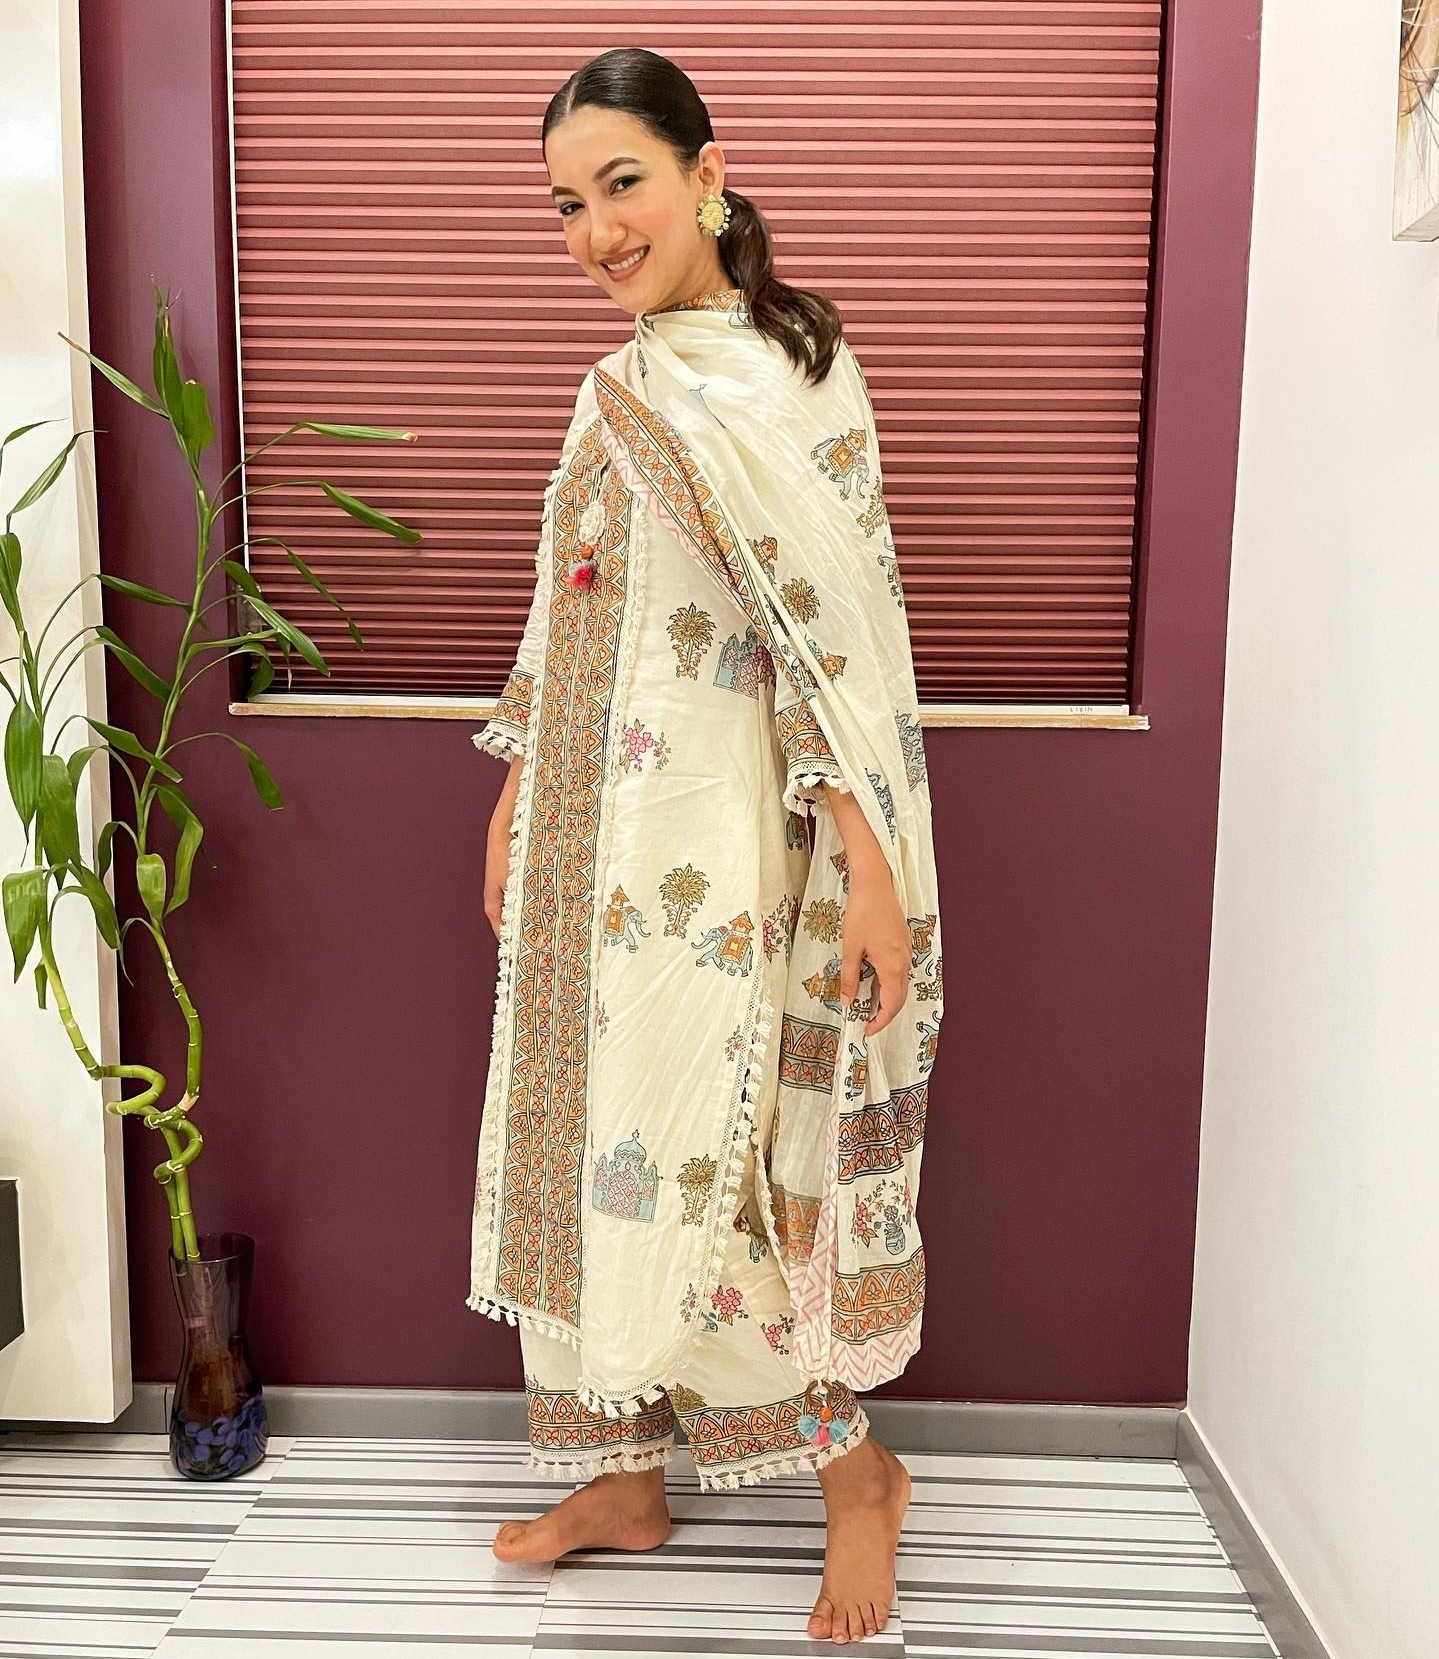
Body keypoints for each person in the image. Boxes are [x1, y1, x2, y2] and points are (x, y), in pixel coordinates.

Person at [467, 47, 945, 1647]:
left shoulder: (789, 376)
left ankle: (858, 1480)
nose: (597, 231)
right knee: (590, 1152)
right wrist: (517, 787)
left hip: (731, 854)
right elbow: (569, 603)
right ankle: (621, 1478)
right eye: (565, 205)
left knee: (711, 1171)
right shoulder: (616, 387)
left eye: (623, 185)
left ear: (705, 175)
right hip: (590, 842)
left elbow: (840, 652)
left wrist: (868, 867)